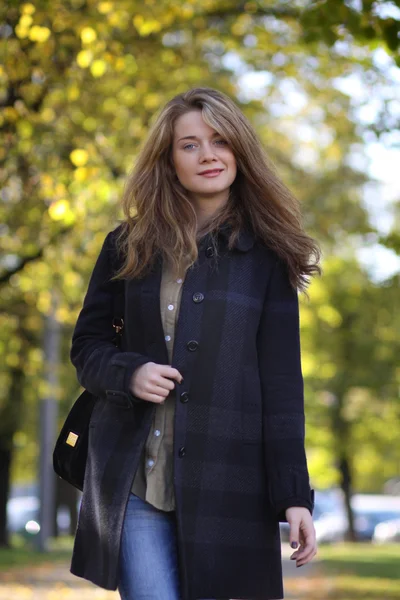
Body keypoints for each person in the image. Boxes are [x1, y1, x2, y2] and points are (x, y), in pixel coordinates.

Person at [69, 87, 321, 600]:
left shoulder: (268, 259)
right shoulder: (127, 245)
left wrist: (294, 496)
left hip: (230, 487)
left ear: (240, 153)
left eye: (221, 141)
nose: (208, 154)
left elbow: (281, 388)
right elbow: (87, 346)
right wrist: (129, 373)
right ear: (169, 161)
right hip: (136, 481)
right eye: (189, 145)